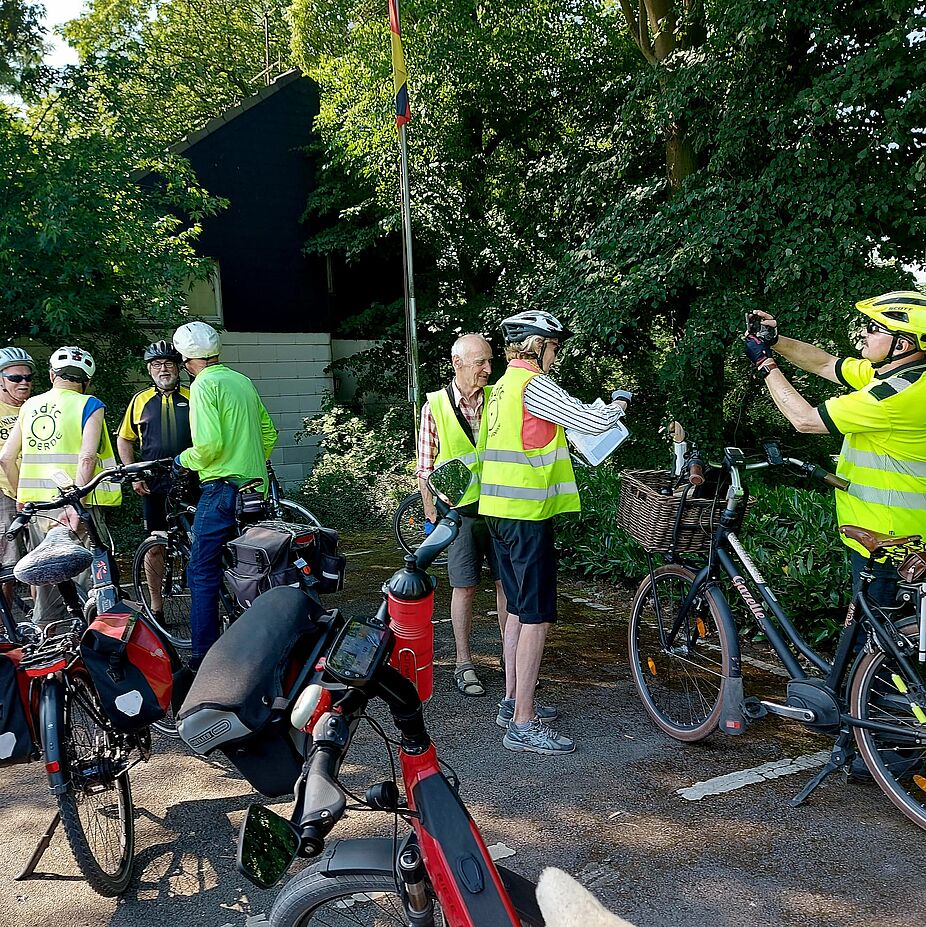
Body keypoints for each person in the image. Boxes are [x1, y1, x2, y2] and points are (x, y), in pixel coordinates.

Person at [479, 310, 629, 755]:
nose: (556, 354)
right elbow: (594, 423)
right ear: (537, 345)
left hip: (498, 515)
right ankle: (523, 723)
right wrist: (618, 404)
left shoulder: (499, 388)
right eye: (554, 346)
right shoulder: (534, 385)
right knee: (536, 617)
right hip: (527, 517)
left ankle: (511, 702)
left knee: (518, 613)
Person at [745, 291, 926, 607]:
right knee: (878, 645)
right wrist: (776, 340)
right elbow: (826, 364)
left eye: (874, 328)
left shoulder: (894, 397)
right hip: (889, 537)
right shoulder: (900, 374)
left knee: (874, 648)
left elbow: (804, 420)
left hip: (893, 545)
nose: (864, 333)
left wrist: (764, 362)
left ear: (902, 345)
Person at [172, 321, 278, 669]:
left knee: (201, 572)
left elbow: (209, 446)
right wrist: (251, 463)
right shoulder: (240, 380)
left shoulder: (203, 385)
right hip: (254, 490)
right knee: (249, 567)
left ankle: (202, 656)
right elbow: (269, 432)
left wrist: (182, 460)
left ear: (187, 359)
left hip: (221, 491)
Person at [0, 346, 122, 625]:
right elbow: (87, 457)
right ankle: (97, 648)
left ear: (52, 374)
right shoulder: (89, 404)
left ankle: (48, 645)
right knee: (92, 582)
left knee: (45, 581)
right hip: (76, 507)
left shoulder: (30, 406)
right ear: (87, 380)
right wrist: (74, 503)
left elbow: (6, 458)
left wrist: (22, 495)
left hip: (37, 510)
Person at [417, 333, 508, 698]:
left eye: (489, 361)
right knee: (464, 587)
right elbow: (425, 468)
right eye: (480, 363)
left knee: (507, 586)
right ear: (457, 364)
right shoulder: (435, 406)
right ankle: (464, 662)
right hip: (460, 514)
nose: (489, 369)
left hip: (502, 508)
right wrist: (431, 514)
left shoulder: (498, 401)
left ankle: (510, 656)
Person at [117, 340, 193, 622]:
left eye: (169, 364)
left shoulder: (193, 394)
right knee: (156, 543)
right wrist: (133, 472)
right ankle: (156, 606)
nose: (163, 369)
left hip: (192, 479)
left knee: (200, 542)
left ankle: (202, 600)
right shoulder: (140, 400)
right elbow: (124, 438)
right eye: (157, 365)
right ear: (150, 370)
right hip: (154, 483)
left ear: (178, 368)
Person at [0, 347, 35, 609]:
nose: (23, 382)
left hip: (37, 493)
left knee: (39, 561)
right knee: (8, 564)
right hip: (5, 493)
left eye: (27, 377)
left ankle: (44, 625)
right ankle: (4, 628)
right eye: (15, 378)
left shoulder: (36, 408)